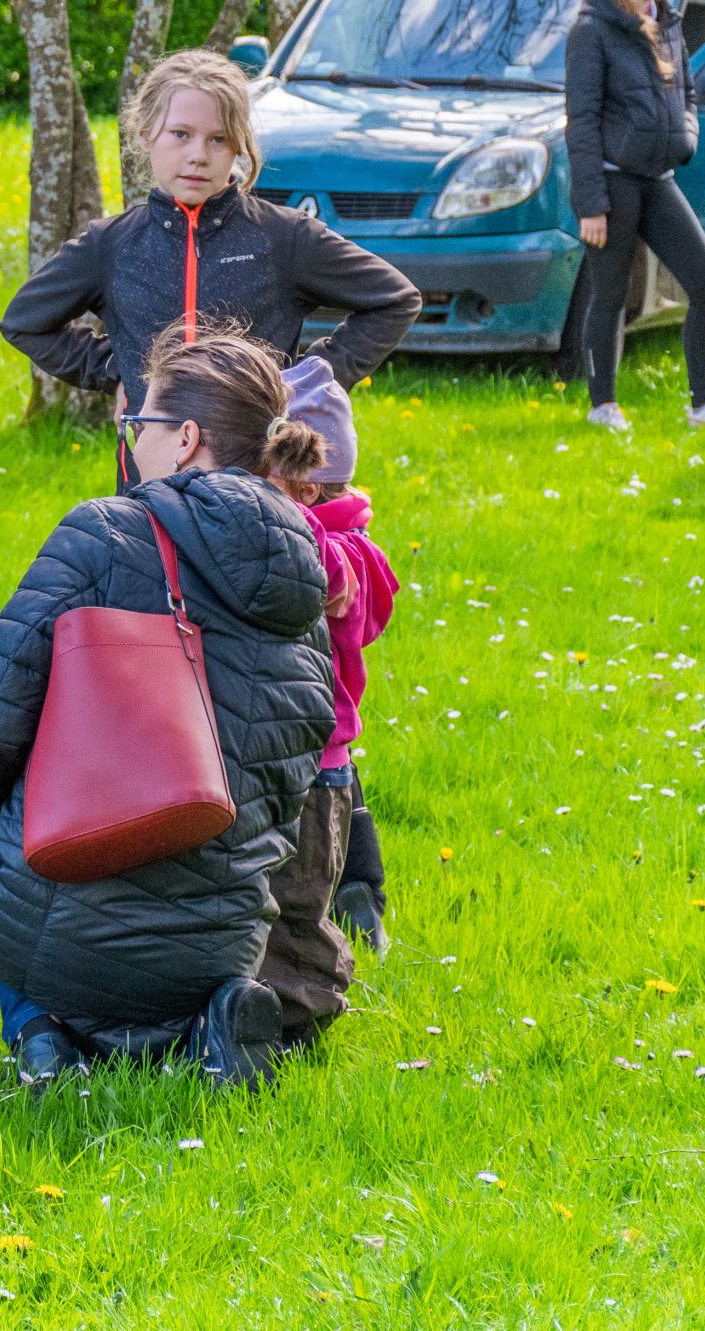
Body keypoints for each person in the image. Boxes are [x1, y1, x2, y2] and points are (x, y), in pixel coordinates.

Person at [0, 326, 336, 1089]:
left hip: (66, 920)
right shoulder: (305, 586)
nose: (132, 439)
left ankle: (38, 1029)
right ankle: (211, 1019)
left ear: (185, 439)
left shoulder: (104, 531)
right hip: (226, 937)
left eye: (139, 422)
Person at [0, 49, 421, 491]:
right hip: (148, 485)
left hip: (257, 484)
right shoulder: (112, 245)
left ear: (240, 144)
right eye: (180, 134)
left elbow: (395, 300)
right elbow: (25, 322)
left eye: (218, 139)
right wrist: (115, 369)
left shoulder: (283, 237)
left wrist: (304, 384)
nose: (198, 155)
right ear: (145, 133)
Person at [253, 357, 400, 1041]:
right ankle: (258, 1002)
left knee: (300, 902)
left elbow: (333, 583)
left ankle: (306, 1019)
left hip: (320, 767)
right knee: (265, 895)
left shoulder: (347, 551)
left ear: (302, 482)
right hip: (274, 754)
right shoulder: (320, 531)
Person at [562, 0, 705, 433]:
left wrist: (685, 134)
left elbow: (686, 92)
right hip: (612, 182)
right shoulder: (591, 31)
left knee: (704, 282)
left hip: (658, 178)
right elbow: (581, 121)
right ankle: (603, 406)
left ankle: (702, 406)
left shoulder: (666, 22)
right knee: (610, 295)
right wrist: (591, 204)